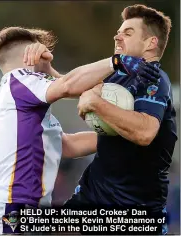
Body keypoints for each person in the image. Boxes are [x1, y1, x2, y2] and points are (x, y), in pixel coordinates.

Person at [0, 26, 159, 234]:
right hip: (13, 209)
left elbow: (67, 145)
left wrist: (125, 137)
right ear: (29, 56)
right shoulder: (21, 81)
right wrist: (117, 61)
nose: (48, 58)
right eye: (43, 52)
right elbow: (68, 85)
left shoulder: (16, 96)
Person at [64, 4, 177, 235]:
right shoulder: (119, 74)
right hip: (91, 198)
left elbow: (145, 133)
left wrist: (95, 102)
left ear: (150, 43)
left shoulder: (154, 79)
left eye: (128, 32)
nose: (117, 36)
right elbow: (67, 84)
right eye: (118, 31)